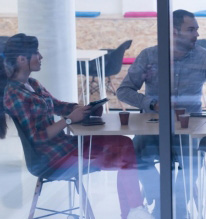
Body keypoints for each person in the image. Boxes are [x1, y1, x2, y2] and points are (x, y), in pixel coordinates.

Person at [0, 33, 153, 219]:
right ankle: (134, 211)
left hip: (62, 147)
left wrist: (82, 109)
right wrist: (69, 120)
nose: (40, 57)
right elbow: (37, 137)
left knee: (124, 145)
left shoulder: (32, 84)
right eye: (36, 53)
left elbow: (57, 105)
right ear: (22, 59)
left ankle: (132, 211)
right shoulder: (14, 94)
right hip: (50, 159)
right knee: (124, 152)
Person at [117, 9, 206, 218]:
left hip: (189, 129)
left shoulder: (205, 57)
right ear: (173, 32)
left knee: (193, 163)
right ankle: (163, 198)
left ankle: (173, 209)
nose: (197, 34)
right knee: (134, 154)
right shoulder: (149, 55)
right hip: (153, 126)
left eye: (196, 29)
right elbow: (124, 91)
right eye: (191, 29)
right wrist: (151, 103)